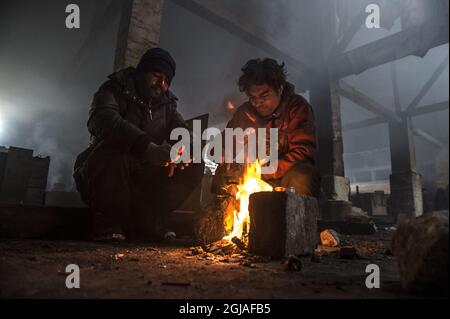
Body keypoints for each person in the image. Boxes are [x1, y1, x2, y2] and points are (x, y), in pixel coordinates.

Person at [73, 48, 199, 241]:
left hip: (143, 176)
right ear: (142, 72)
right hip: (105, 173)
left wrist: (183, 149)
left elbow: (185, 131)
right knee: (115, 153)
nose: (161, 84)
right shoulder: (114, 88)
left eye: (166, 80)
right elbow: (102, 119)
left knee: (194, 164)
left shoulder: (168, 104)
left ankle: (149, 222)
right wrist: (146, 147)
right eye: (156, 76)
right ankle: (108, 223)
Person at [218, 58, 320, 198]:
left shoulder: (297, 108)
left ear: (280, 88)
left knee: (302, 176)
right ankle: (222, 217)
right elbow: (225, 142)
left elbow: (303, 153)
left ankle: (293, 217)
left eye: (264, 95)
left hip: (285, 176)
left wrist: (260, 170)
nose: (258, 103)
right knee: (221, 173)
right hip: (253, 176)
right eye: (252, 97)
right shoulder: (245, 112)